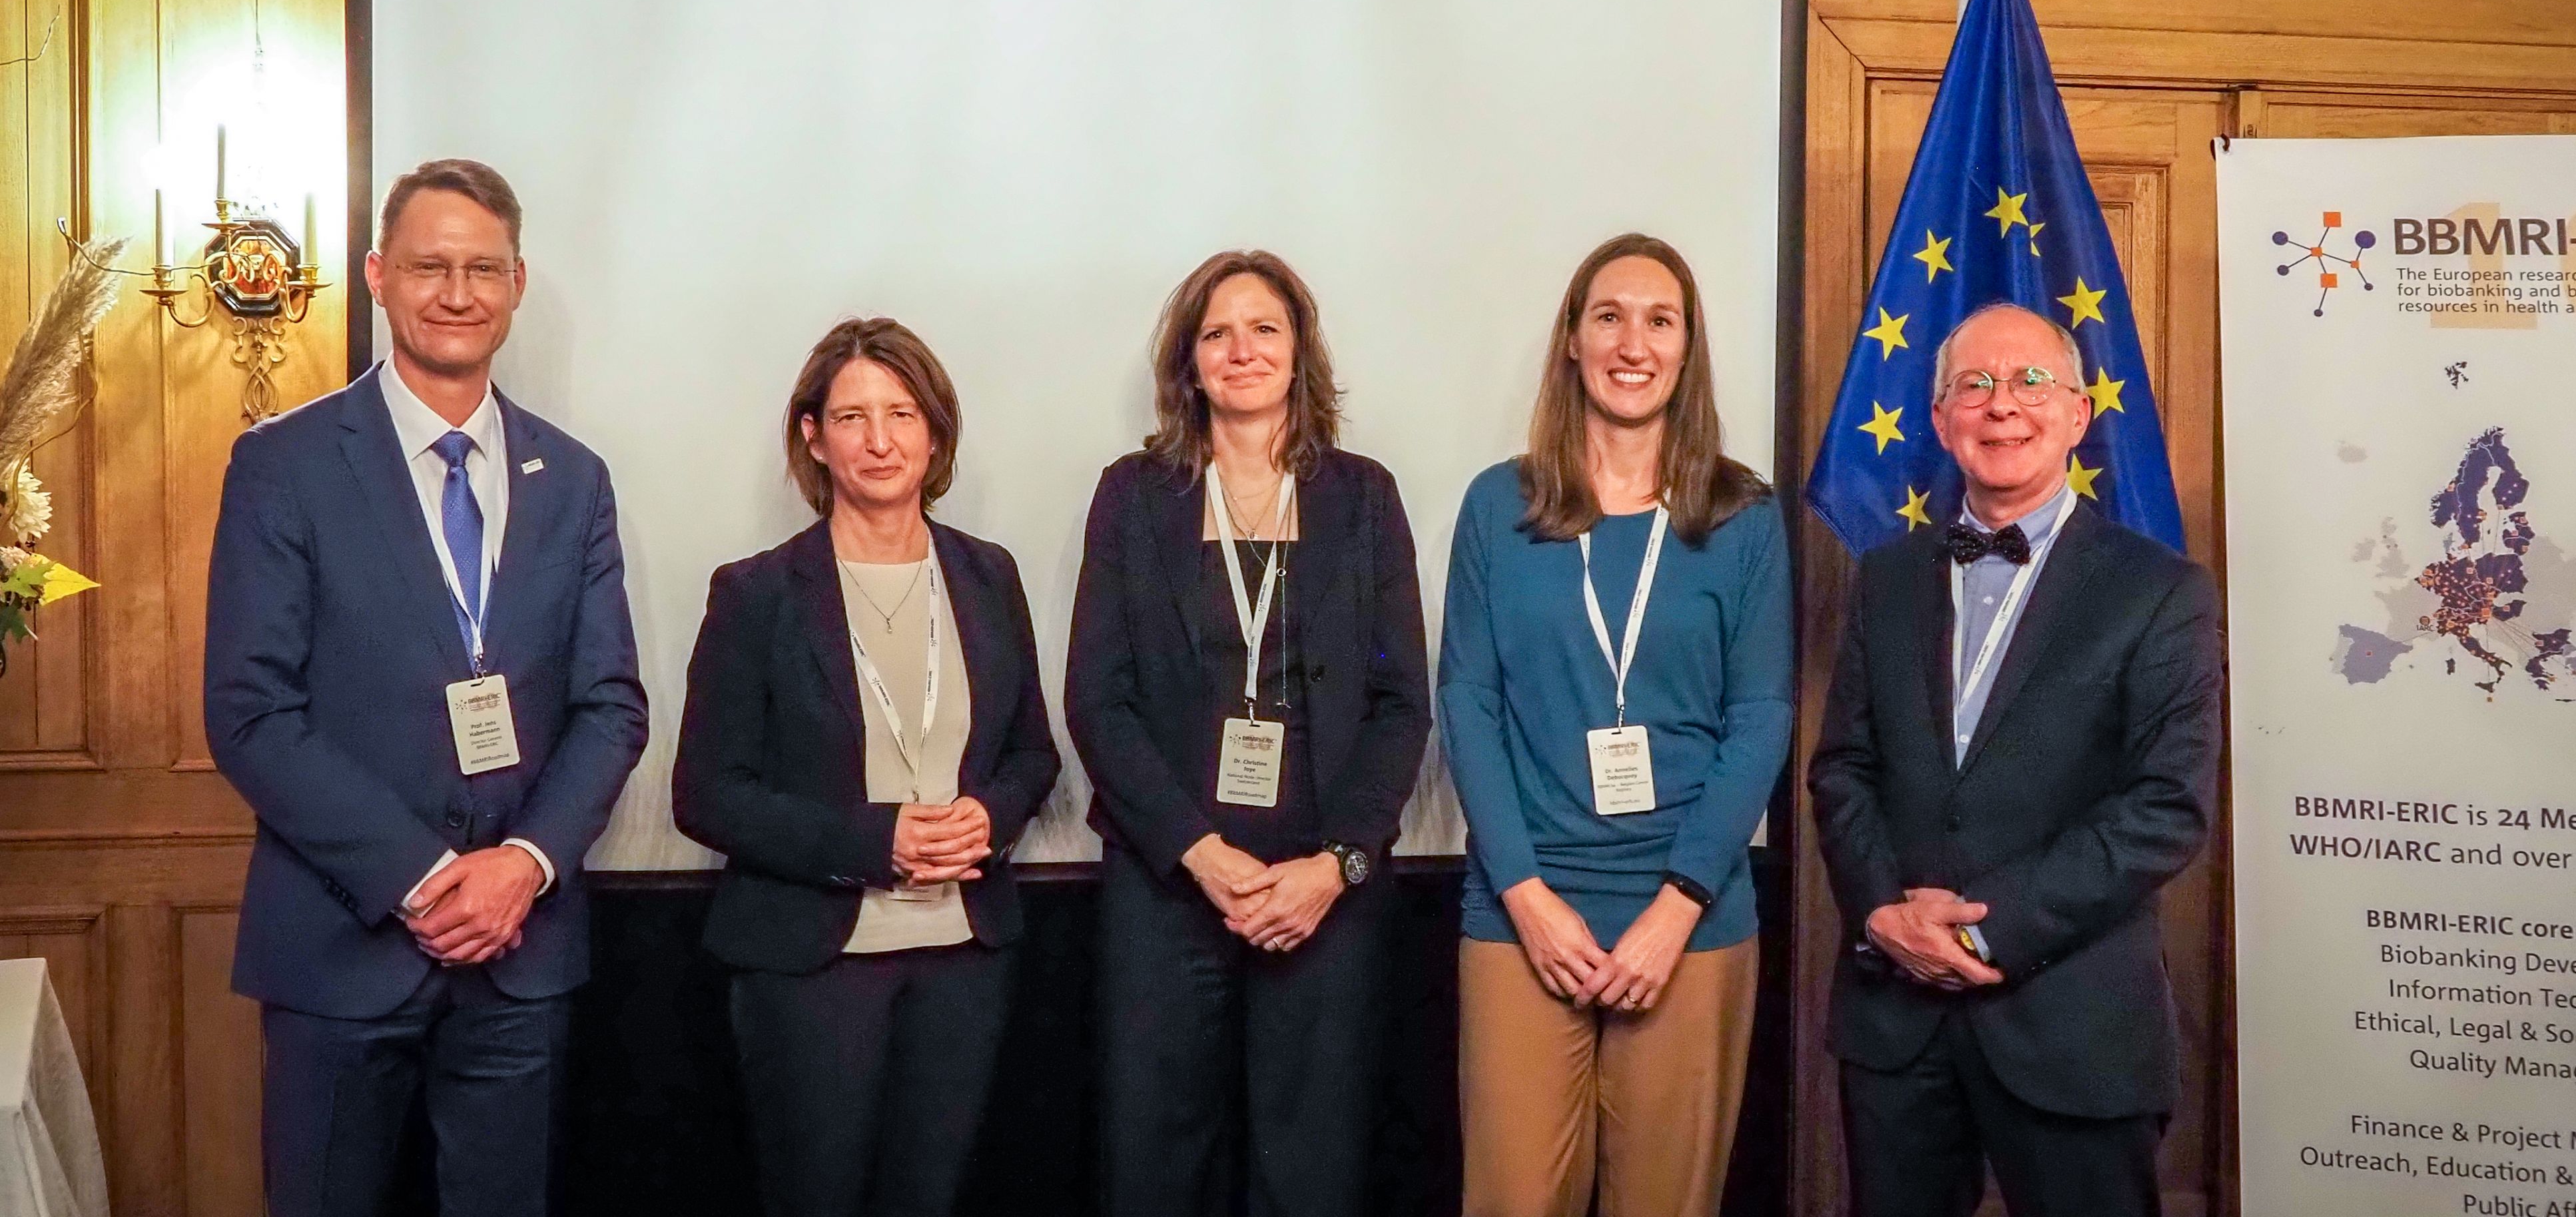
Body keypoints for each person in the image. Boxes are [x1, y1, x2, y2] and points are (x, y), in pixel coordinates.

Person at [204, 158, 648, 1217]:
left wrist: (520, 869)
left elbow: (610, 705)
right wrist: (424, 877)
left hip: (519, 955)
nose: (458, 292)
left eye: (483, 268)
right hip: (339, 949)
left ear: (519, 283)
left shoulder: (573, 476)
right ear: (377, 276)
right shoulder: (286, 465)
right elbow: (251, 713)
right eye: (430, 267)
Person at [1809, 301, 2220, 1217]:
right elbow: (1843, 769)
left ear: (2079, 414)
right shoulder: (1885, 578)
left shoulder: (2161, 591)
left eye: (2033, 381)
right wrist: (1882, 913)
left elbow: (2166, 807)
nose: (2004, 405)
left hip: (2073, 1026)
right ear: (1942, 419)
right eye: (1976, 385)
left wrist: (1981, 933)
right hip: (1896, 1024)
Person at [1065, 250, 1430, 1217]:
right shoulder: (1135, 497)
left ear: (1300, 351)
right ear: (1188, 365)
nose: (1242, 350)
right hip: (1167, 886)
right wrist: (1198, 852)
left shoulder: (1364, 498)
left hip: (1324, 895)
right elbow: (1099, 699)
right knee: (1156, 1162)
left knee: (1310, 1169)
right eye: (1217, 333)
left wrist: (1336, 864)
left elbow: (1402, 707)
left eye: (1265, 328)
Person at [1438, 232, 1791, 1217]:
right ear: (1572, 343)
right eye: (1609, 316)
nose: (1634, 342)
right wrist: (1528, 897)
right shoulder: (1497, 506)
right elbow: (1468, 703)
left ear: (1687, 350)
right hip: (1523, 915)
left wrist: (1676, 906)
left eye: (1660, 319)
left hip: (1692, 921)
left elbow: (1762, 716)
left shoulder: (1742, 513)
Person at [673, 317, 1059, 1217]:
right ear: (813, 435)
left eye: (902, 413)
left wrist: (989, 818)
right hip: (812, 963)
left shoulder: (988, 575)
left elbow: (1032, 752)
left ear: (935, 431)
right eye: (852, 417)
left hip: (964, 954)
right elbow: (705, 793)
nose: (880, 440)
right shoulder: (758, 592)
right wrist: (875, 837)